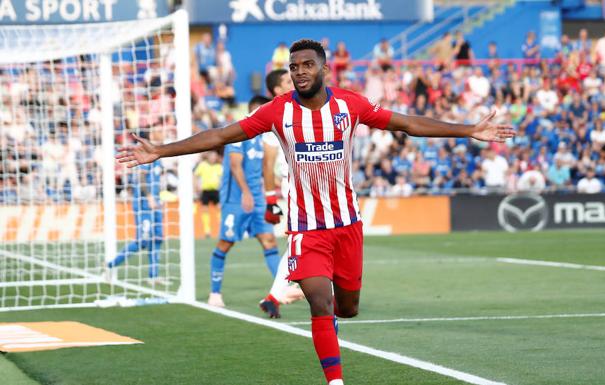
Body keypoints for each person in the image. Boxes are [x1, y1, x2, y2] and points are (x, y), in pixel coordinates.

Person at [116, 39, 514, 385]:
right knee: (319, 303)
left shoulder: (350, 105)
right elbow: (221, 135)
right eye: (294, 67)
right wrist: (160, 150)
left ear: (324, 68)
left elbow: (407, 123)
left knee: (347, 308)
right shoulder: (277, 112)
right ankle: (335, 379)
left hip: (348, 226)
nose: (300, 72)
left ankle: (336, 320)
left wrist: (468, 129)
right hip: (306, 229)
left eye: (307, 65)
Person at [205, 95, 282, 307]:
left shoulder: (265, 137)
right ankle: (215, 293)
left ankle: (280, 291)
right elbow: (235, 165)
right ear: (255, 111)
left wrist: (273, 189)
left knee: (269, 241)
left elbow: (265, 168)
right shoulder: (239, 133)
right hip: (236, 200)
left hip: (257, 199)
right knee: (225, 243)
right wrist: (246, 193)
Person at [258, 68, 306, 318]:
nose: (294, 81)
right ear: (277, 90)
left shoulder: (300, 108)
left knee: (302, 241)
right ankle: (278, 293)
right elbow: (268, 162)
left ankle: (277, 294)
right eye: (288, 80)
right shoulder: (275, 115)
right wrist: (269, 199)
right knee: (302, 240)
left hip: (305, 184)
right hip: (294, 187)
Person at [107, 131, 164, 284]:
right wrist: (150, 197)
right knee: (143, 241)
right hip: (144, 203)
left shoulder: (158, 155)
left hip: (157, 202)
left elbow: (158, 178)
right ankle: (110, 265)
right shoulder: (144, 155)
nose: (162, 132)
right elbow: (141, 177)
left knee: (157, 238)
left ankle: (153, 275)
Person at [194, 151, 222, 237]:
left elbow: (223, 178)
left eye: (214, 156)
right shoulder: (203, 165)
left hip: (216, 190)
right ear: (208, 157)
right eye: (212, 156)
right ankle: (207, 231)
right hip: (205, 190)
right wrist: (196, 186)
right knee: (205, 209)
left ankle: (222, 229)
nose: (213, 158)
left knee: (220, 209)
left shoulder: (219, 166)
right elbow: (195, 175)